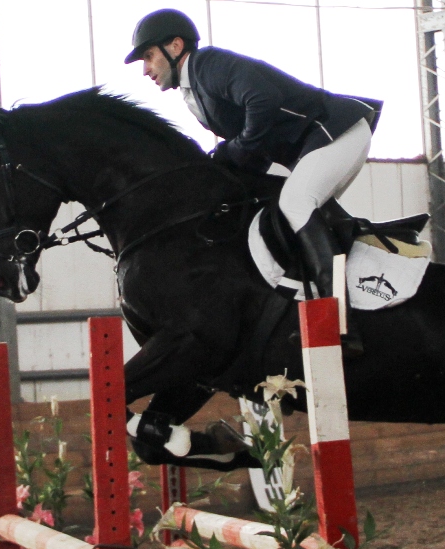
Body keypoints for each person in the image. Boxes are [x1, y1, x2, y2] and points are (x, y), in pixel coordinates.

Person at [125, 8, 382, 356]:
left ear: (175, 46)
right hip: (316, 144)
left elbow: (262, 100)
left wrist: (236, 150)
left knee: (295, 203)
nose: (145, 69)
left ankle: (340, 322)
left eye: (148, 56)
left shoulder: (207, 65)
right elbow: (252, 143)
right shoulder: (192, 92)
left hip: (336, 130)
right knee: (277, 213)